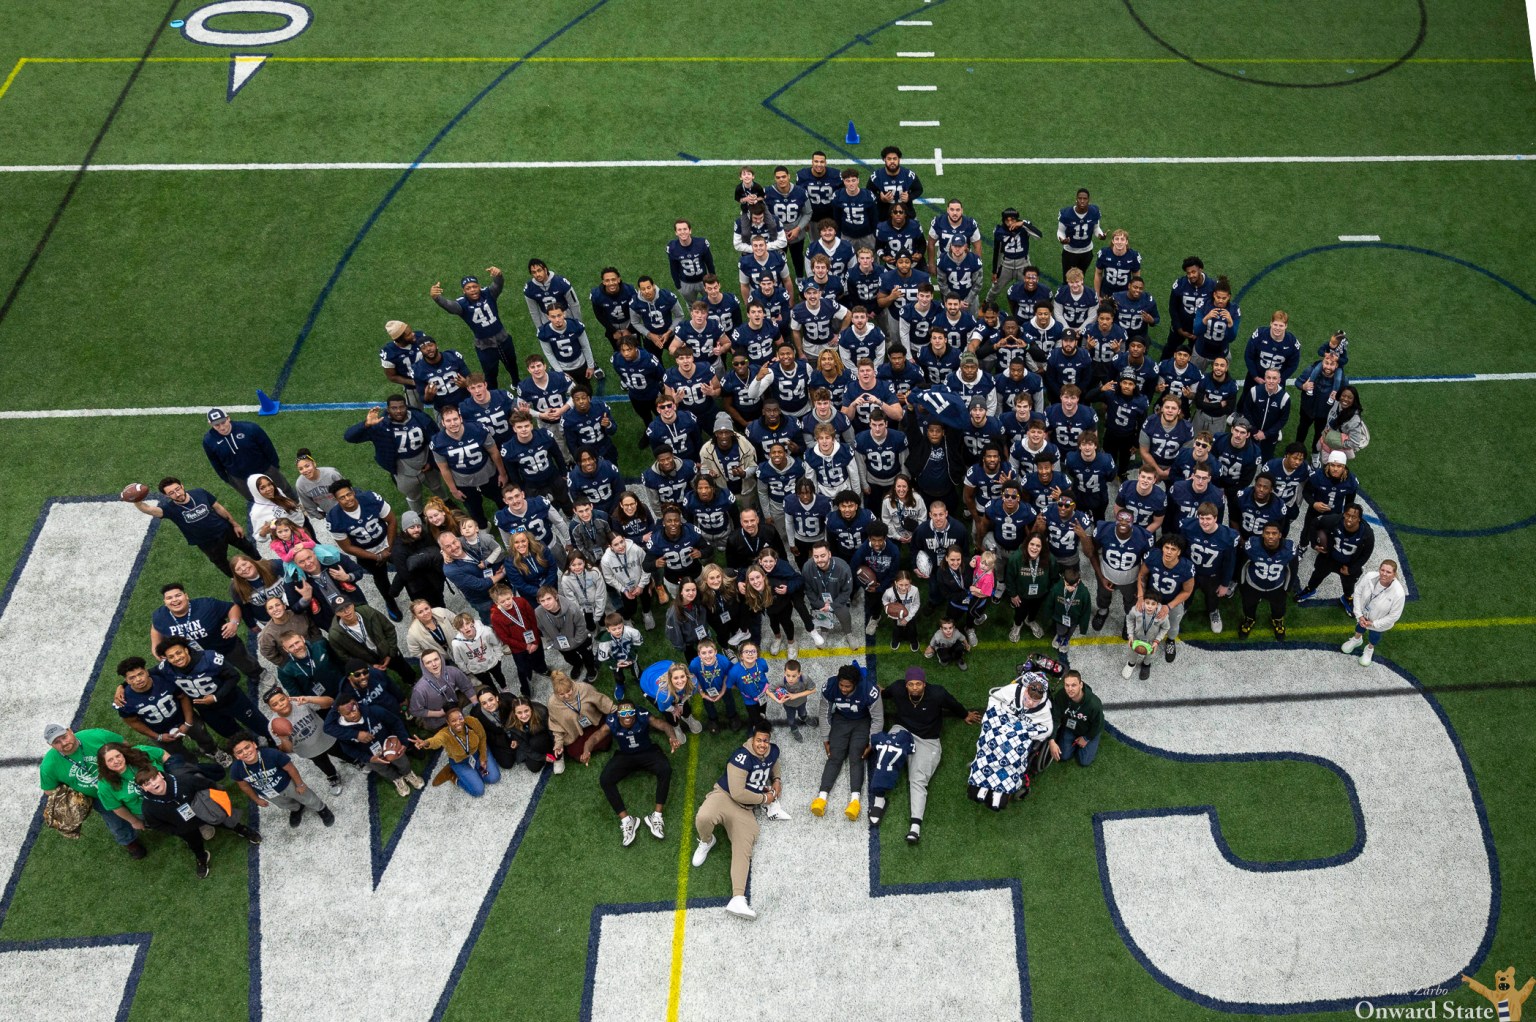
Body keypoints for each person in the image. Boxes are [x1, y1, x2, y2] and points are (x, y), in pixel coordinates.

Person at [691, 722, 784, 920]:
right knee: (703, 816)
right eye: (759, 740)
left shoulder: (772, 751)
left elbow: (773, 763)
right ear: (752, 739)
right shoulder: (741, 757)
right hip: (725, 797)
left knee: (744, 847)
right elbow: (738, 792)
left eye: (765, 740)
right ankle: (707, 841)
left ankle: (738, 899)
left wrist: (777, 780)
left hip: (745, 810)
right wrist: (765, 798)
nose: (762, 744)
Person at [879, 667, 981, 844]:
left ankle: (915, 827)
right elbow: (885, 693)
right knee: (887, 750)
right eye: (911, 684)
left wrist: (965, 715)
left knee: (917, 780)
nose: (915, 688)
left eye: (918, 684)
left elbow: (953, 704)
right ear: (906, 685)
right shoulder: (897, 688)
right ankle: (879, 798)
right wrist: (878, 690)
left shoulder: (937, 693)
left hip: (928, 741)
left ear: (924, 684)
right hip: (903, 731)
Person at [137, 760, 261, 878]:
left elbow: (208, 784)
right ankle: (201, 857)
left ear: (160, 775)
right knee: (194, 843)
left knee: (225, 820)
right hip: (185, 827)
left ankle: (241, 829)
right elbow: (156, 825)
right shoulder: (148, 807)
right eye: (147, 783)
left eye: (154, 778)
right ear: (144, 789)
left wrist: (217, 801)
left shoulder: (183, 780)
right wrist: (177, 830)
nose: (153, 784)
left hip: (205, 811)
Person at [38, 724, 147, 857]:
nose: (64, 743)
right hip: (98, 797)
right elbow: (49, 790)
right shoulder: (49, 765)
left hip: (123, 780)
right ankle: (130, 842)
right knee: (115, 821)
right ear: (51, 745)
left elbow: (124, 744)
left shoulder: (96, 735)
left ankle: (157, 820)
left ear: (70, 731)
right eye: (57, 742)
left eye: (64, 737)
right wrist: (73, 793)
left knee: (143, 802)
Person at [130, 476, 258, 576]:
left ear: (182, 486)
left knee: (247, 546)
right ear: (166, 496)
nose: (177, 493)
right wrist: (136, 500)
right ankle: (237, 580)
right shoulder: (170, 509)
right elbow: (148, 509)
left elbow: (218, 507)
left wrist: (234, 524)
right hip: (207, 543)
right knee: (222, 563)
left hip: (225, 529)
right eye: (171, 493)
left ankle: (260, 562)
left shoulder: (199, 493)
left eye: (177, 489)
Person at [343, 398, 447, 515]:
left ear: (406, 407)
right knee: (413, 495)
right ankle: (418, 514)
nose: (398, 411)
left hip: (424, 459)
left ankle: (446, 503)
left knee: (436, 485)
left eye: (401, 407)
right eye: (394, 408)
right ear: (388, 409)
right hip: (402, 469)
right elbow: (349, 437)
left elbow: (436, 438)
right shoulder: (380, 425)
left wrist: (431, 460)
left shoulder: (419, 418)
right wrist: (365, 424)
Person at [114, 656, 224, 763]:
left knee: (202, 735)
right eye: (132, 677)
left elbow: (183, 697)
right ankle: (194, 766)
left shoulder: (164, 680)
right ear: (126, 680)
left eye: (140, 674)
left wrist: (188, 722)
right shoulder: (123, 699)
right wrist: (158, 736)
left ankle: (211, 751)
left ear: (147, 672)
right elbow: (133, 722)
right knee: (178, 755)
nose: (138, 679)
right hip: (159, 730)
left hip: (182, 717)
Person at [813, 664, 884, 822]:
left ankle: (855, 801)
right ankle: (821, 798)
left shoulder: (869, 690)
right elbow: (824, 712)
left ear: (856, 683)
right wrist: (825, 738)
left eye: (848, 686)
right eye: (841, 685)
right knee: (834, 756)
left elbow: (878, 718)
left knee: (856, 757)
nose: (844, 689)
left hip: (862, 722)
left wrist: (872, 741)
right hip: (841, 720)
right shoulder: (830, 686)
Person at [430, 268, 522, 388]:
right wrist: (437, 298)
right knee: (490, 373)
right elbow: (450, 306)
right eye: (468, 288)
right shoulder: (462, 304)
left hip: (502, 337)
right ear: (463, 291)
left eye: (474, 286)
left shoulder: (488, 293)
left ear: (479, 286)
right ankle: (493, 395)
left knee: (512, 364)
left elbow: (498, 285)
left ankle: (517, 384)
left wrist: (498, 275)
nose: (472, 290)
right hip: (484, 344)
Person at [323, 696, 423, 797]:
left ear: (357, 704)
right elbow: (348, 750)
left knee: (403, 762)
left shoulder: (374, 710)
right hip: (370, 756)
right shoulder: (341, 731)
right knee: (383, 770)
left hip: (390, 746)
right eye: (348, 713)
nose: (353, 714)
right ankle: (397, 779)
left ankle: (408, 773)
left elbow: (395, 722)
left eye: (354, 710)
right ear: (340, 714)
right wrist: (369, 758)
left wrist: (403, 741)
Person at [230, 734, 335, 828]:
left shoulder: (272, 754)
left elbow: (290, 768)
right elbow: (244, 786)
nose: (245, 753)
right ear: (236, 756)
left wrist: (300, 784)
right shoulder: (236, 769)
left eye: (247, 747)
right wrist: (257, 799)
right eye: (239, 752)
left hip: (288, 784)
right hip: (268, 793)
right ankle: (296, 809)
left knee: (306, 797)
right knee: (283, 804)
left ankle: (321, 808)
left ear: (254, 745)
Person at [263, 687, 345, 796]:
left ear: (288, 697)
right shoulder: (273, 725)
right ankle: (332, 776)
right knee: (323, 764)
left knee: (341, 752)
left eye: (282, 699)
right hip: (309, 751)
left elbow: (330, 702)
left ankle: (356, 761)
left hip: (325, 738)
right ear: (271, 709)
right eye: (275, 704)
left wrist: (310, 699)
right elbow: (288, 749)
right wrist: (283, 738)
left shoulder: (301, 703)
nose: (281, 704)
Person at [1296, 503, 1377, 606]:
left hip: (1348, 563)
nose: (1349, 519)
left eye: (1354, 517)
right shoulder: (1334, 520)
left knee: (1348, 584)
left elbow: (1366, 555)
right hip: (1329, 557)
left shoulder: (1367, 534)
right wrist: (1314, 544)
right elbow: (1314, 523)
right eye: (1347, 515)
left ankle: (1347, 598)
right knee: (1317, 574)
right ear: (1344, 514)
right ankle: (1310, 589)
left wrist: (1352, 569)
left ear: (1359, 519)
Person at [412, 706, 501, 797]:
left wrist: (483, 757)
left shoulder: (472, 721)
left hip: (477, 754)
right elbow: (436, 740)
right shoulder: (444, 734)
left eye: (460, 718)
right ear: (448, 722)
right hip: (460, 762)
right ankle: (453, 775)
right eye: (453, 721)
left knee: (493, 778)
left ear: (463, 717)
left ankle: (474, 771)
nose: (458, 722)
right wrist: (426, 743)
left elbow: (482, 738)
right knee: (478, 791)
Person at [327, 597, 415, 688]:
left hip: (387, 651)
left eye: (348, 606)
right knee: (378, 682)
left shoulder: (368, 612)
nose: (346, 611)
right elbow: (344, 657)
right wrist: (368, 666)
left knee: (404, 669)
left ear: (353, 605)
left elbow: (389, 629)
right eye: (341, 610)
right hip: (368, 661)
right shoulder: (335, 635)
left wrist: (390, 653)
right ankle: (391, 693)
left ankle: (412, 682)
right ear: (336, 613)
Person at [202, 408, 287, 502]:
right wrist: (228, 479)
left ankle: (298, 509)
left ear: (228, 418)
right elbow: (215, 462)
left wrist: (273, 467)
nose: (222, 427)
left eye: (223, 422)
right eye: (217, 425)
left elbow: (268, 448)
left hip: (265, 470)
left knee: (283, 491)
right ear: (210, 424)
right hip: (240, 479)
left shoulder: (250, 428)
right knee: (255, 501)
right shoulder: (208, 441)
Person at [1137, 535, 1195, 663]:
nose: (1168, 551)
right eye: (1166, 547)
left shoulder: (1186, 567)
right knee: (1146, 622)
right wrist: (1141, 596)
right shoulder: (1153, 556)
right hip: (1152, 599)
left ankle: (1171, 640)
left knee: (1173, 625)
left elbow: (1187, 591)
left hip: (1172, 601)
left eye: (1173, 549)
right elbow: (1141, 575)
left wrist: (1169, 606)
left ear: (1179, 552)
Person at [546, 669, 615, 773]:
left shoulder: (584, 688)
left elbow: (601, 701)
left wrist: (616, 710)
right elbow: (556, 725)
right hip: (574, 732)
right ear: (555, 692)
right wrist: (558, 744)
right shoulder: (553, 703)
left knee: (606, 745)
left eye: (569, 691)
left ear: (571, 684)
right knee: (577, 756)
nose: (567, 696)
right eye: (561, 694)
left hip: (594, 723)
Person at [1237, 522, 1296, 640]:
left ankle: (1277, 621)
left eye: (1274, 533)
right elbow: (1242, 565)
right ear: (1262, 534)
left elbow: (1292, 570)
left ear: (1280, 535)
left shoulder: (1288, 549)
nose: (1270, 536)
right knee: (1248, 604)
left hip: (1276, 586)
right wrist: (1242, 583)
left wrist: (1287, 588)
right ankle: (1249, 619)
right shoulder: (1252, 545)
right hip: (1253, 584)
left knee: (1279, 607)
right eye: (1267, 533)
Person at [1342, 560, 1405, 666]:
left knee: (1374, 636)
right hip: (1363, 615)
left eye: (1388, 572)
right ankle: (1356, 640)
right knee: (1359, 627)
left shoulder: (1398, 593)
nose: (1384, 573)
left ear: (1394, 574)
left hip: (1378, 622)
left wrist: (1373, 624)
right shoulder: (1369, 576)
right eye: (1382, 570)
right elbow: (1357, 592)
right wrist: (1359, 615)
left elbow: (1394, 616)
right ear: (1379, 569)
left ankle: (1370, 649)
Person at [411, 649, 477, 733]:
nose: (434, 664)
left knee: (482, 690)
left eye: (436, 659)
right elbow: (415, 710)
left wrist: (476, 706)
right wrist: (438, 714)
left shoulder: (452, 671)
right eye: (428, 662)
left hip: (454, 703)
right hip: (438, 718)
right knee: (457, 736)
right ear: (424, 666)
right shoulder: (420, 689)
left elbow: (467, 687)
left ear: (441, 659)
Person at [1048, 670, 1104, 766]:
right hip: (1070, 727)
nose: (1070, 689)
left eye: (1073, 685)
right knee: (1063, 756)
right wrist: (1051, 740)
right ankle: (1068, 741)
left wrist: (1086, 738)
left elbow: (1098, 724)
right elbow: (1055, 717)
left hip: (1087, 730)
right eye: (1067, 685)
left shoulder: (1094, 704)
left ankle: (1085, 742)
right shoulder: (1061, 696)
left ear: (1081, 685)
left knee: (1084, 761)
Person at [1005, 534, 1056, 640]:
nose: (1034, 548)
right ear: (1026, 544)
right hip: (1022, 594)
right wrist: (1013, 594)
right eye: (1032, 544)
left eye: (1038, 545)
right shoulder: (1016, 558)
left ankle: (1030, 620)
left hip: (1041, 593)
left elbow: (1054, 577)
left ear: (1042, 548)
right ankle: (1017, 625)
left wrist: (1049, 592)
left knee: (1035, 610)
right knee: (1020, 611)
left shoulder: (1049, 558)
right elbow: (1009, 578)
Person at [1044, 566, 1093, 666]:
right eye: (1067, 585)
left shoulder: (1084, 593)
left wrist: (1083, 627)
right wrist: (1046, 616)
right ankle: (1058, 637)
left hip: (1074, 620)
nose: (1070, 588)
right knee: (1060, 630)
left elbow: (1086, 611)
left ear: (1078, 581)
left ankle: (1065, 641)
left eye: (1073, 585)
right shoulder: (1057, 588)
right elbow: (1049, 603)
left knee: (1070, 632)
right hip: (1060, 617)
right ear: (1063, 579)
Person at [1317, 384, 1369, 463]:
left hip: (1339, 450)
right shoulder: (1336, 403)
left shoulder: (1354, 421)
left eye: (1350, 398)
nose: (1345, 399)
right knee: (1325, 463)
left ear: (1354, 400)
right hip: (1328, 440)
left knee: (1334, 468)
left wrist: (1337, 443)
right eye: (1343, 396)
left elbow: (1354, 443)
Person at [1123, 596, 1171, 681]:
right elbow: (1129, 619)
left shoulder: (1162, 615)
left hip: (1152, 640)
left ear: (1157, 605)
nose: (1149, 606)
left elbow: (1165, 628)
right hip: (1136, 637)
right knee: (1132, 652)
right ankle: (1131, 664)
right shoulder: (1136, 610)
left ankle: (1146, 665)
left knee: (1150, 654)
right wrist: (1130, 635)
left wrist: (1157, 640)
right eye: (1147, 603)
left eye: (1153, 604)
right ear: (1143, 602)